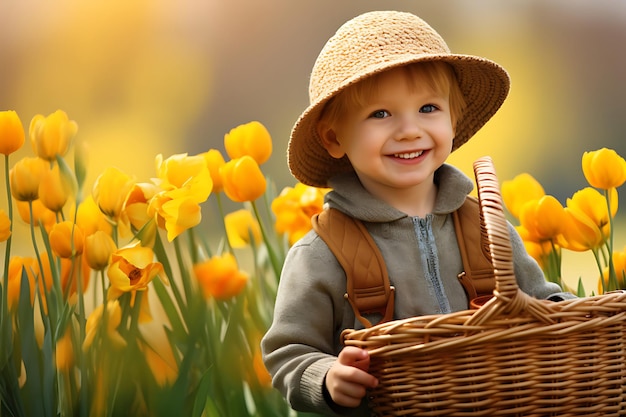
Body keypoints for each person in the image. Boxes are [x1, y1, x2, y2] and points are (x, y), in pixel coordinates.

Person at [261, 10, 573, 416]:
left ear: (453, 117)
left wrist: (573, 316)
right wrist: (326, 376)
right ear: (334, 137)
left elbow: (542, 303)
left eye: (428, 108)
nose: (410, 130)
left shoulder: (484, 227)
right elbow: (289, 351)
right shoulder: (323, 253)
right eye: (381, 114)